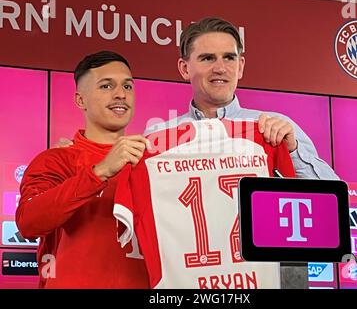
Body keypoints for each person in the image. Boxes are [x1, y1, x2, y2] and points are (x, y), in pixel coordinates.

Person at [16, 51, 150, 288]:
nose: (121, 94)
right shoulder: (55, 160)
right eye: (106, 86)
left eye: (128, 87)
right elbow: (29, 222)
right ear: (80, 100)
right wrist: (99, 172)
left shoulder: (151, 161)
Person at [145, 17, 338, 180]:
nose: (220, 68)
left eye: (229, 57)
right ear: (185, 69)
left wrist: (293, 152)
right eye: (208, 58)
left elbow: (332, 201)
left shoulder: (277, 128)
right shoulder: (159, 136)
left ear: (241, 67)